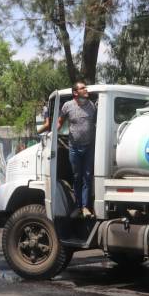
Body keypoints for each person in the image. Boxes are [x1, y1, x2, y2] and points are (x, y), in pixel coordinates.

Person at [58, 81, 97, 217]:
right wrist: (52, 134)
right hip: (74, 147)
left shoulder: (92, 106)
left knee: (87, 176)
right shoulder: (67, 106)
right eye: (83, 88)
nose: (86, 89)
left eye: (85, 87)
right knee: (77, 176)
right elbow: (59, 122)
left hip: (89, 147)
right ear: (75, 93)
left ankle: (85, 207)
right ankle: (78, 206)